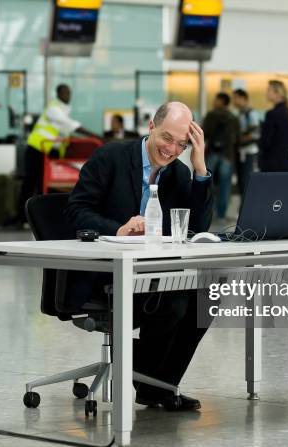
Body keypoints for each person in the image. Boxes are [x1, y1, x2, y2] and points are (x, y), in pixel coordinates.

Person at [65, 102, 213, 411]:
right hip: (103, 277)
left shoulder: (178, 172)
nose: (172, 149)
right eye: (167, 138)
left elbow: (196, 228)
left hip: (149, 274)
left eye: (181, 144)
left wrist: (200, 169)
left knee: (207, 297)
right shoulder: (111, 157)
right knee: (173, 303)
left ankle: (159, 386)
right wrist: (118, 230)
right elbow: (76, 211)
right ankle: (150, 383)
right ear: (151, 127)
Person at [19, 84, 100, 219]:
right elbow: (72, 125)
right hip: (37, 149)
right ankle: (22, 217)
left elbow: (65, 133)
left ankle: (40, 217)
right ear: (58, 94)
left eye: (69, 93)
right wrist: (97, 137)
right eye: (65, 93)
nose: (68, 96)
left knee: (43, 185)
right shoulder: (53, 108)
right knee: (30, 183)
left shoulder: (63, 110)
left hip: (49, 153)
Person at [202, 92, 240, 223]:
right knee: (225, 185)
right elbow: (237, 137)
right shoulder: (233, 117)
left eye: (216, 100)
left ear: (222, 101)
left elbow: (204, 133)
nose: (214, 101)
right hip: (227, 155)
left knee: (207, 183)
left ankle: (207, 213)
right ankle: (222, 215)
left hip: (212, 152)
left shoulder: (211, 115)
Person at [258, 80, 288, 172]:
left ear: (277, 94)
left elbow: (266, 142)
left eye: (269, 90)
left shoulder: (272, 114)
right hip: (286, 161)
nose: (266, 93)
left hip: (271, 163)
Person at [232, 89, 259, 197]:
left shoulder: (250, 113)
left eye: (235, 98)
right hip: (241, 151)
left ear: (243, 98)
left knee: (245, 181)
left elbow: (255, 134)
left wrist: (239, 140)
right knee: (241, 181)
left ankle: (247, 209)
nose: (233, 101)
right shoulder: (240, 113)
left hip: (248, 152)